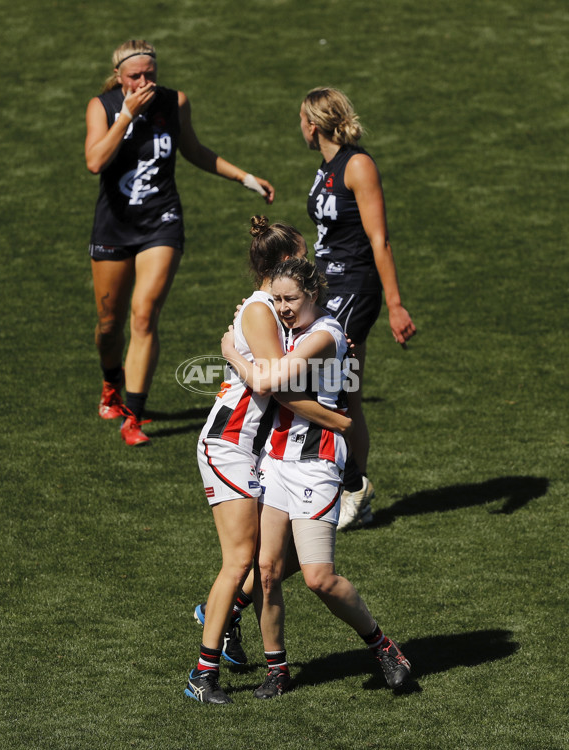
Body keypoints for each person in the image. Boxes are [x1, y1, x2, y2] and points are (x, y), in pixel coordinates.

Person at [220, 257, 412, 699]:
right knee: (266, 570)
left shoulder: (325, 335)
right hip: (275, 459)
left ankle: (384, 647)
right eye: (277, 299)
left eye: (291, 299)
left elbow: (270, 382)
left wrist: (231, 351)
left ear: (313, 295)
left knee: (318, 577)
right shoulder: (287, 329)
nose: (283, 308)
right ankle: (277, 670)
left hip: (317, 462)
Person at [185, 218, 352, 704]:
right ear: (282, 267)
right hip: (229, 444)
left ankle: (227, 616)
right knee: (240, 560)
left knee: (274, 561)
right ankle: (202, 673)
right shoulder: (262, 312)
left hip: (250, 447)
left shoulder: (271, 313)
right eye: (300, 259)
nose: (307, 266)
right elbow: (274, 387)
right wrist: (336, 421)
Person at [85, 39, 275, 446]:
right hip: (114, 227)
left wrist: (246, 178)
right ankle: (110, 383)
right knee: (108, 325)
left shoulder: (174, 102)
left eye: (149, 74)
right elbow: (95, 161)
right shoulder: (101, 107)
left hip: (161, 223)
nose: (143, 82)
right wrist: (125, 117)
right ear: (119, 77)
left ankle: (133, 416)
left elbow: (193, 150)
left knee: (144, 314)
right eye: (134, 76)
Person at [300, 87, 416, 527]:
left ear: (312, 124)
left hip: (356, 290)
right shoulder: (325, 169)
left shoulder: (358, 165)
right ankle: (355, 490)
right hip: (327, 288)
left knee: (324, 387)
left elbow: (379, 239)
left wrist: (396, 305)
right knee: (346, 391)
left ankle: (349, 486)